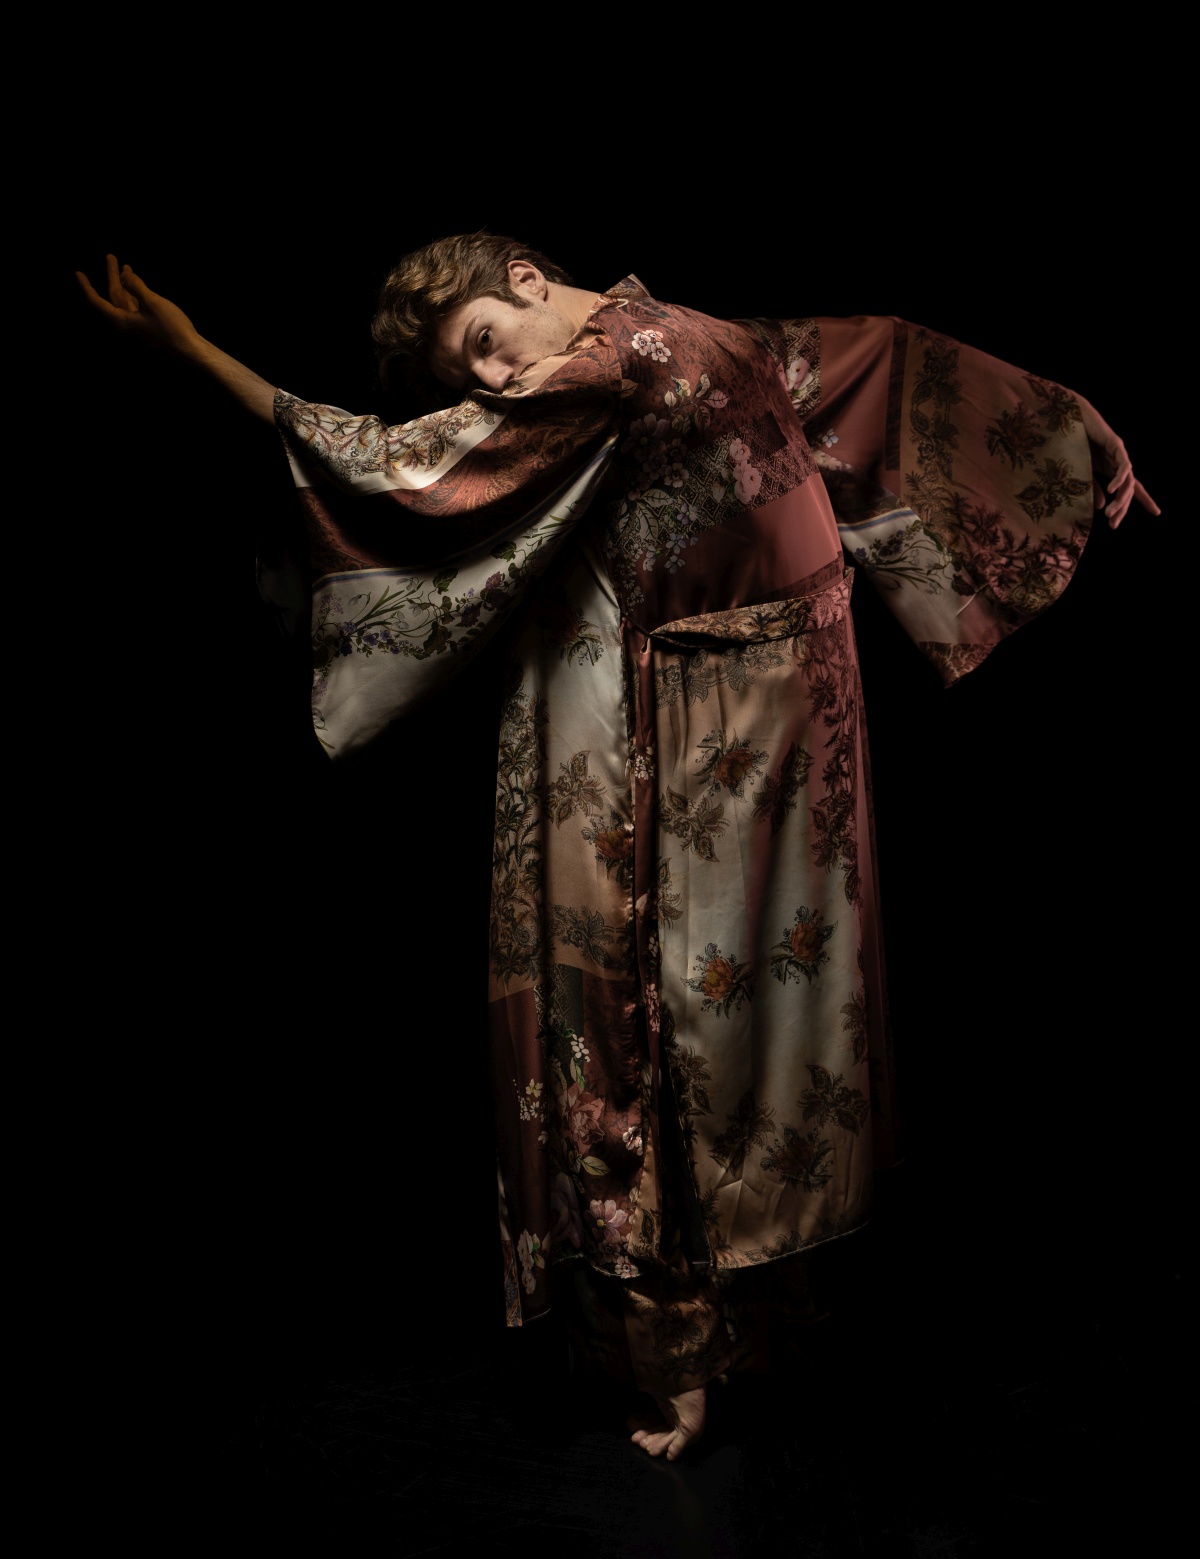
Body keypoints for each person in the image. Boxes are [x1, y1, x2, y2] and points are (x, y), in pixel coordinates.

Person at [77, 238, 1156, 1461]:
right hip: (706, 723)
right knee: (667, 1016)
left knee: (763, 1025)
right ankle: (681, 1342)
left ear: (527, 279)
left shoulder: (635, 350)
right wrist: (1073, 419)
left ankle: (757, 1310)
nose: (493, 383)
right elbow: (849, 352)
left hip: (770, 728)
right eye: (471, 375)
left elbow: (863, 362)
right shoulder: (672, 339)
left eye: (485, 343)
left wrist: (195, 353)